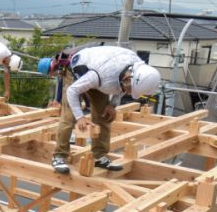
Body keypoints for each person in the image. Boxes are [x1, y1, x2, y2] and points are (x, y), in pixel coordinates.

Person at [54, 45, 161, 174]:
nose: (127, 93)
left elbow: (122, 88)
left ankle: (99, 156)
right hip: (78, 74)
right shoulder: (102, 75)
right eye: (129, 90)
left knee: (104, 115)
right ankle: (59, 156)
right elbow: (72, 91)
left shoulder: (135, 68)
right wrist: (80, 117)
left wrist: (112, 105)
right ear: (127, 80)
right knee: (69, 117)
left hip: (100, 77)